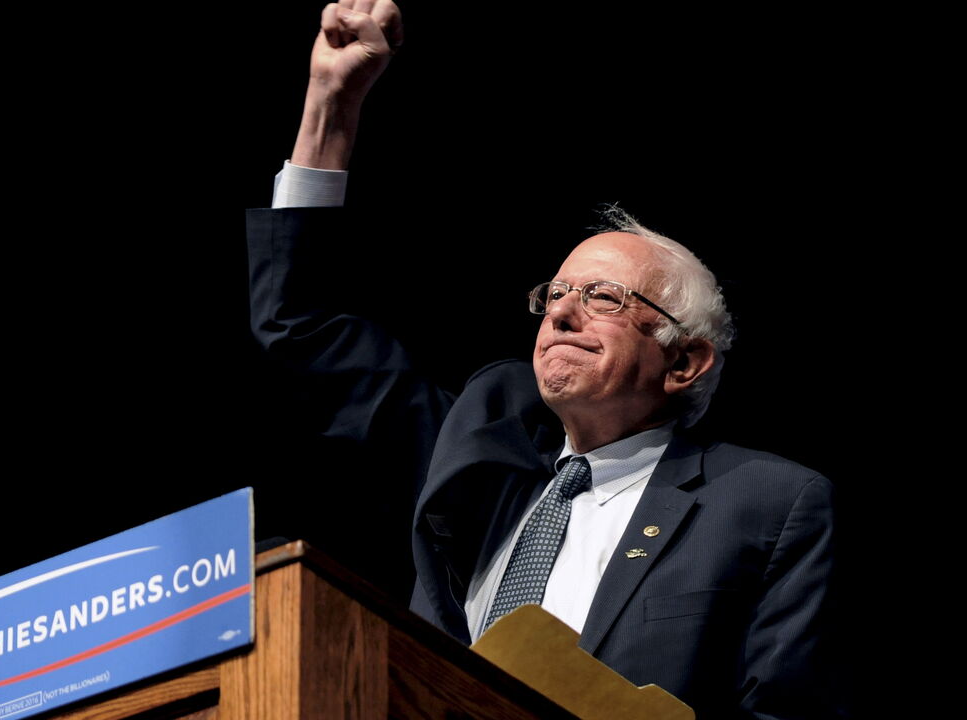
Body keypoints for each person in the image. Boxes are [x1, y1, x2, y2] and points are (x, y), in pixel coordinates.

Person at [247, 3, 843, 718]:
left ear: (684, 361)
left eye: (602, 297)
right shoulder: (470, 459)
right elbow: (302, 325)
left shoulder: (769, 503)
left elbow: (785, 711)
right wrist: (330, 106)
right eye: (554, 294)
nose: (559, 312)